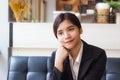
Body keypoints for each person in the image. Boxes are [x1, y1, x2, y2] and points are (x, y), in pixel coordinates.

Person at [49, 12, 107, 80]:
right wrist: (58, 63)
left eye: (70, 29)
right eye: (60, 33)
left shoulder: (98, 55)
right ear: (57, 37)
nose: (66, 36)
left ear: (80, 30)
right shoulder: (55, 57)